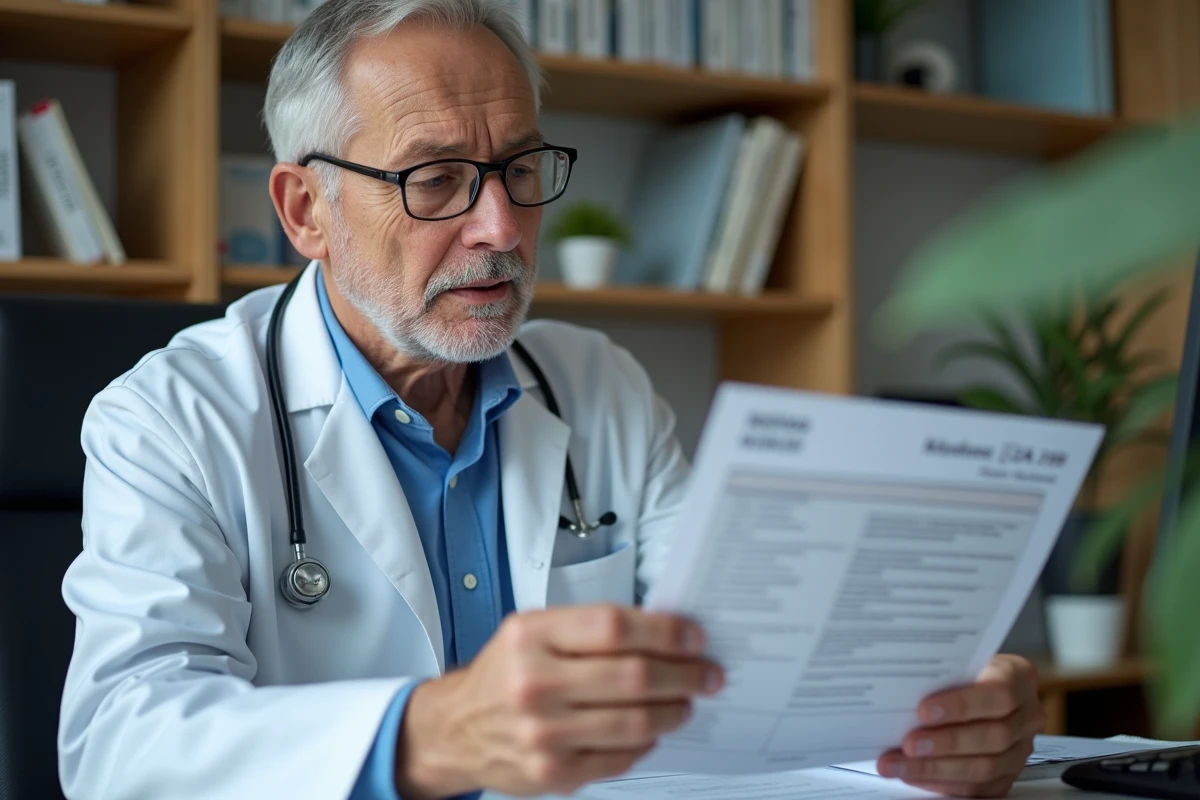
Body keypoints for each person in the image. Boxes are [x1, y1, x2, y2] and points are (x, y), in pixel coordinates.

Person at [57, 0, 1044, 797]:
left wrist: (921, 717)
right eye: (438, 179)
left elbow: (740, 656)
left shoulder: (598, 383)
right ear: (306, 209)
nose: (500, 225)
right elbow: (120, 743)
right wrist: (430, 732)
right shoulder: (169, 417)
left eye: (519, 169)